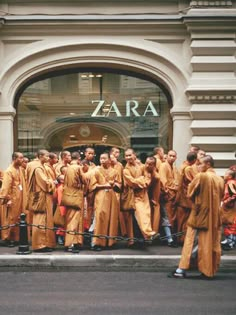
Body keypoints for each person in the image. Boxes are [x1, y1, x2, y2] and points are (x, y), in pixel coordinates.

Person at [170, 155, 224, 279]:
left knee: (191, 241)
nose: (197, 166)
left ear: (208, 164)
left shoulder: (201, 176)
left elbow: (190, 193)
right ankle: (208, 269)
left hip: (199, 215)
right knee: (209, 242)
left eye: (200, 164)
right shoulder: (219, 179)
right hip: (214, 217)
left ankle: (181, 269)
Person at [122, 149, 158, 247]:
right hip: (133, 195)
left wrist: (141, 181)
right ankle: (146, 234)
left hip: (144, 194)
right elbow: (132, 183)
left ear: (134, 155)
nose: (128, 157)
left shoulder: (142, 166)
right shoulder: (125, 170)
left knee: (146, 213)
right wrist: (141, 180)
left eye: (130, 155)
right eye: (126, 156)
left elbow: (147, 179)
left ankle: (146, 236)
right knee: (141, 214)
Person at [90, 152, 121, 251]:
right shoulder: (96, 171)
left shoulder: (115, 171)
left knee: (112, 218)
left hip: (112, 196)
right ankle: (97, 243)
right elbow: (92, 185)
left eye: (104, 158)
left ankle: (111, 242)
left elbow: (119, 184)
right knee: (100, 217)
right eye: (100, 158)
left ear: (109, 160)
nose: (102, 160)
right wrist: (105, 185)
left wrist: (115, 184)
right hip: (101, 195)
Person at [28, 149, 56, 252]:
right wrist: (53, 183)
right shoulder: (38, 168)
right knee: (41, 219)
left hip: (39, 196)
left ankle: (45, 243)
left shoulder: (33, 165)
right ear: (40, 156)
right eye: (47, 156)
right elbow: (45, 183)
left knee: (44, 219)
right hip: (42, 196)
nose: (48, 158)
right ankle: (40, 245)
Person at [0, 152, 27, 246]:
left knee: (18, 218)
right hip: (12, 199)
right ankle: (8, 238)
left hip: (19, 197)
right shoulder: (9, 171)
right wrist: (7, 199)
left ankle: (16, 238)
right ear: (15, 158)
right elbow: (6, 187)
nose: (22, 159)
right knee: (10, 218)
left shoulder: (20, 169)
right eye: (20, 158)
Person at [63, 162, 88, 253]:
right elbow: (85, 180)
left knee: (70, 219)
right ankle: (71, 243)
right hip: (76, 197)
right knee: (74, 220)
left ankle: (74, 242)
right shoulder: (77, 167)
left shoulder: (67, 168)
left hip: (68, 195)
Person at [175, 152, 198, 244]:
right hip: (186, 199)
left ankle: (181, 238)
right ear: (194, 160)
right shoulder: (188, 168)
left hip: (182, 197)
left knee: (182, 219)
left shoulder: (183, 166)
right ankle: (183, 239)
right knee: (185, 219)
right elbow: (192, 182)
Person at [159, 150, 179, 246]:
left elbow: (177, 180)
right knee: (166, 217)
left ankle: (169, 237)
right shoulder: (163, 166)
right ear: (167, 156)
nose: (172, 157)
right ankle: (169, 239)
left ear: (176, 158)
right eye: (170, 155)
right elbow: (163, 181)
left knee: (171, 217)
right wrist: (167, 192)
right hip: (166, 195)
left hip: (174, 195)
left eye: (173, 156)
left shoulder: (174, 168)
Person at [220, 169, 236, 250]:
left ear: (230, 176)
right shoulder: (230, 183)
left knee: (230, 223)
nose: (224, 175)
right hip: (228, 207)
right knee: (227, 223)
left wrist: (225, 202)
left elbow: (234, 195)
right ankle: (229, 240)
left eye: (226, 174)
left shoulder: (231, 183)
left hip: (229, 207)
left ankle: (230, 242)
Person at [145, 156, 161, 234]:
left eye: (150, 164)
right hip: (146, 198)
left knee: (153, 216)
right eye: (146, 163)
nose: (147, 165)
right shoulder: (145, 171)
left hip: (153, 199)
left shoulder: (155, 175)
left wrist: (152, 199)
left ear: (154, 165)